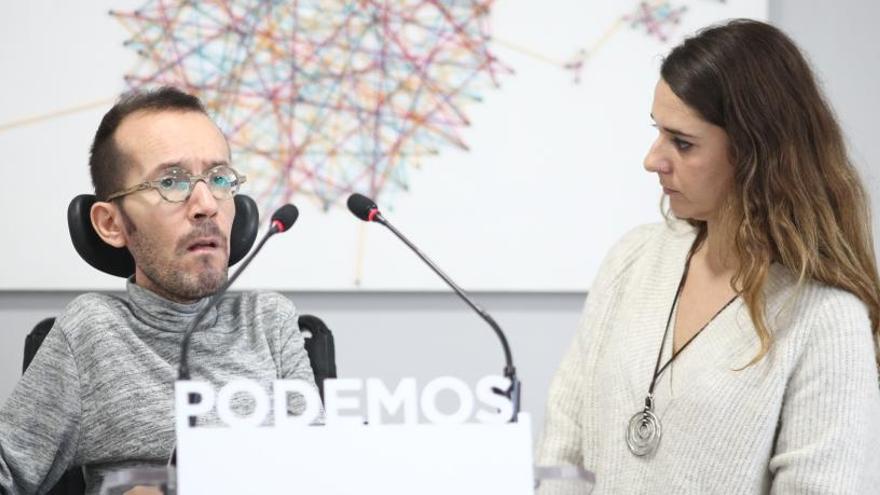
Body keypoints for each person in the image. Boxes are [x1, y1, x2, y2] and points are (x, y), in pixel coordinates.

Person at [537, 19, 880, 493]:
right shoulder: (632, 260)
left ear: (756, 152)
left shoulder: (826, 319)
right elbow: (565, 444)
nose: (653, 159)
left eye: (683, 142)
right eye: (658, 132)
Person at [0, 87, 318, 494]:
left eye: (220, 178)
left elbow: (318, 470)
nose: (206, 204)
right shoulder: (92, 331)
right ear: (111, 224)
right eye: (172, 181)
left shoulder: (268, 319)